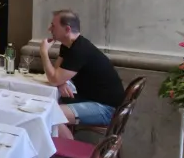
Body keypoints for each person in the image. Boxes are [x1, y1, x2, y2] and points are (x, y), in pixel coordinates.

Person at [40, 9, 125, 139]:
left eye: (53, 26)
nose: (49, 29)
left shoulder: (80, 50)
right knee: (46, 105)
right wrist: (60, 82)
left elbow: (54, 78)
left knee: (50, 113)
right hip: (91, 99)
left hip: (106, 108)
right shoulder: (68, 45)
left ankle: (68, 149)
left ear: (67, 29)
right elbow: (56, 74)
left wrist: (44, 53)